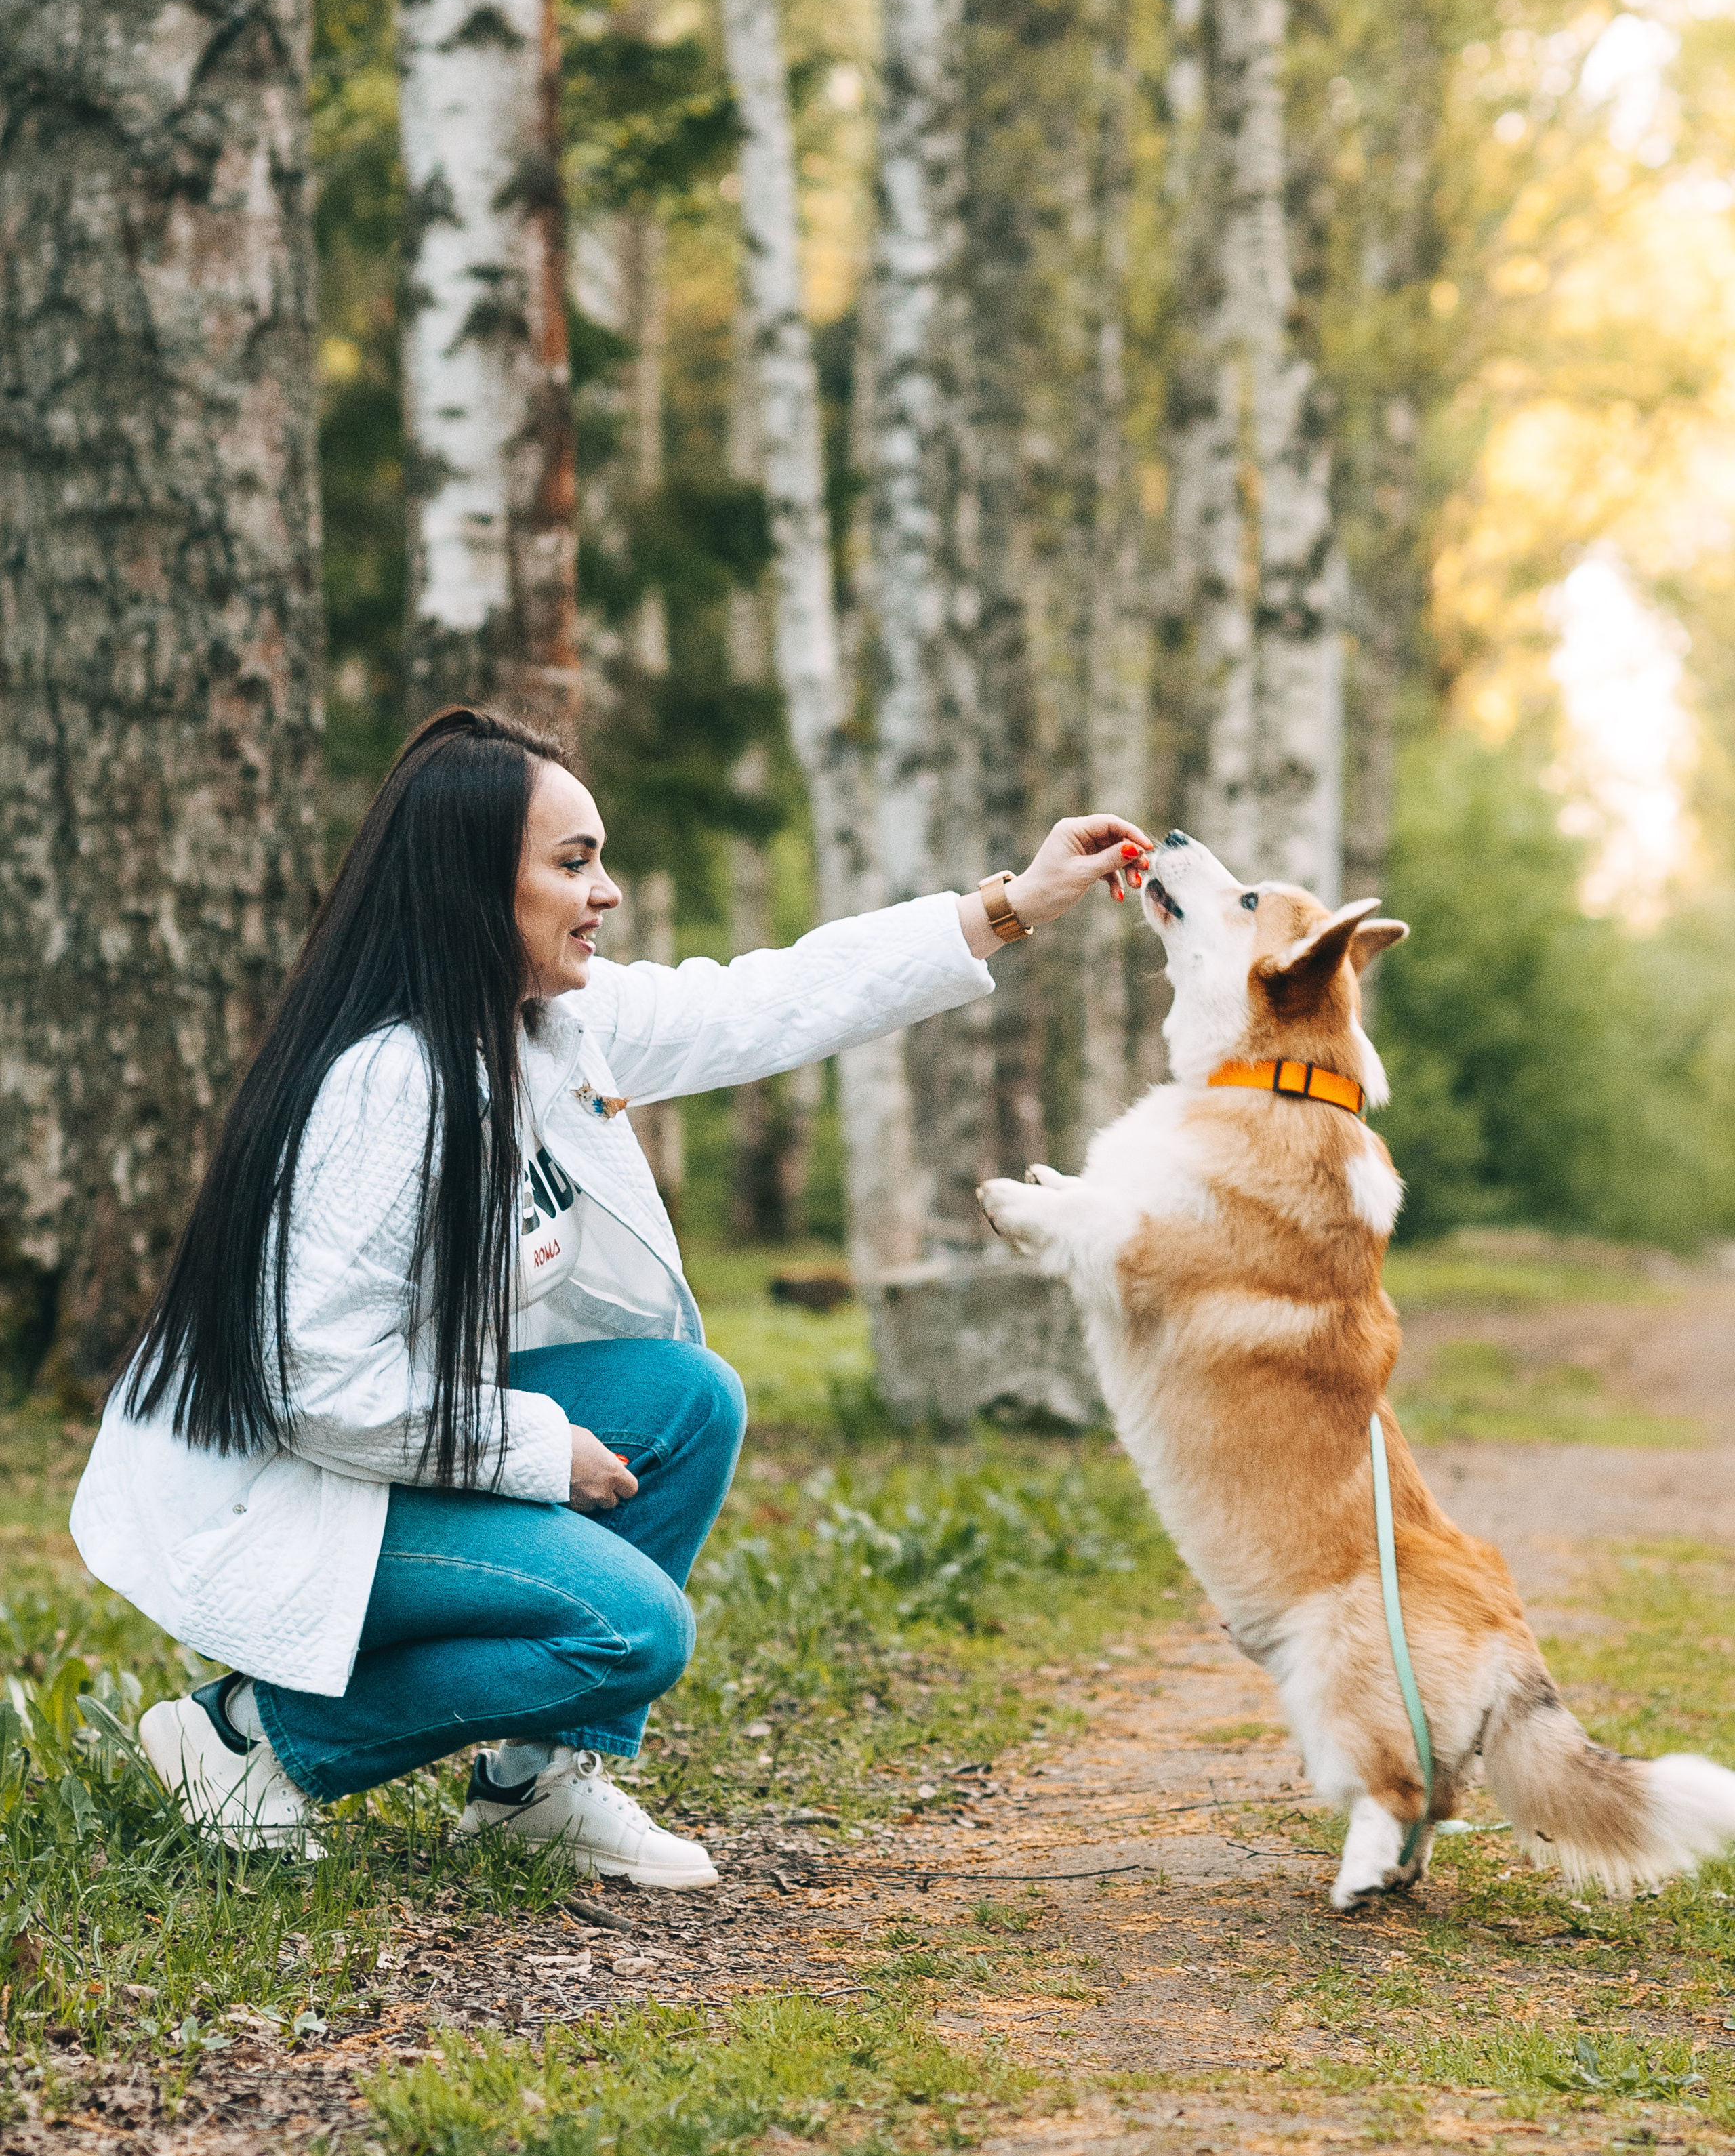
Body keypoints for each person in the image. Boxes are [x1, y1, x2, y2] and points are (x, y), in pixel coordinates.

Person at [70, 707, 1154, 1882]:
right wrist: (538, 1450)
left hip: (384, 1456)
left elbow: (762, 999)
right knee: (631, 1630)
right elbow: (314, 1385)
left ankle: (530, 1784)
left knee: (686, 1397)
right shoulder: (390, 1083)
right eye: (575, 863)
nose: (610, 892)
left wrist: (1008, 905)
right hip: (288, 1489)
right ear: (476, 882)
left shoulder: (546, 1025)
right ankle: (246, 1737)